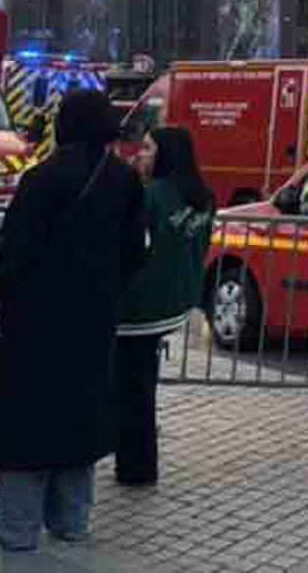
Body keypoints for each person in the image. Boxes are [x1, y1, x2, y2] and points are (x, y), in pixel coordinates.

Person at [0, 89, 147, 552]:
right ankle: (72, 521)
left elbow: (14, 253)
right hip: (92, 317)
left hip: (34, 320)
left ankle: (18, 530)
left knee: (26, 425)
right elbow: (134, 251)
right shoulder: (124, 181)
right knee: (78, 421)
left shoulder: (41, 179)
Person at [115, 127, 214, 486]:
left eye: (147, 148)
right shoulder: (201, 196)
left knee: (131, 390)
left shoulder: (151, 195)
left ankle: (135, 467)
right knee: (140, 385)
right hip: (175, 300)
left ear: (166, 154)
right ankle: (136, 462)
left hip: (139, 306)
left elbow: (131, 247)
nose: (140, 153)